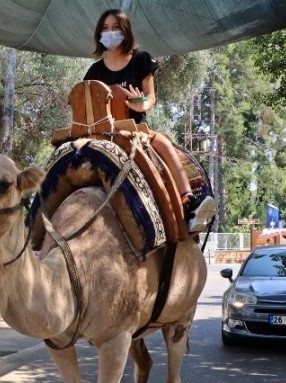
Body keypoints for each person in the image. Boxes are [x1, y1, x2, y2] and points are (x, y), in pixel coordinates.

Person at [83, 8, 216, 233]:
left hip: (136, 130)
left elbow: (151, 96)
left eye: (116, 27)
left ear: (125, 31)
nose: (110, 32)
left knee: (163, 143)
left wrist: (141, 104)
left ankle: (189, 201)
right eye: (105, 28)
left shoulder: (141, 59)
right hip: (104, 134)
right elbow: (87, 106)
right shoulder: (94, 71)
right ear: (98, 34)